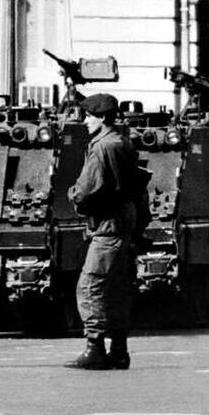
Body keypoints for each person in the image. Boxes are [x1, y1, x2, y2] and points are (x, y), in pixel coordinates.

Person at [66, 93, 141, 370]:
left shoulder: (101, 147)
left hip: (107, 226)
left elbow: (87, 190)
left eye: (89, 116)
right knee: (116, 288)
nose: (85, 121)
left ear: (102, 117)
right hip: (124, 223)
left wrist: (73, 194)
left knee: (90, 286)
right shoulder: (123, 142)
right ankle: (119, 350)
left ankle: (95, 348)